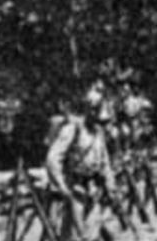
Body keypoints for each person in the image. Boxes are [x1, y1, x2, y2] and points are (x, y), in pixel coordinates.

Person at [46, 85, 119, 241]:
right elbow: (53, 158)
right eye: (95, 113)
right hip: (75, 190)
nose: (99, 120)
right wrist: (62, 186)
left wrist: (111, 187)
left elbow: (105, 162)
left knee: (92, 235)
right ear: (88, 110)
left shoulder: (98, 132)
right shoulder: (73, 129)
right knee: (74, 236)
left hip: (94, 190)